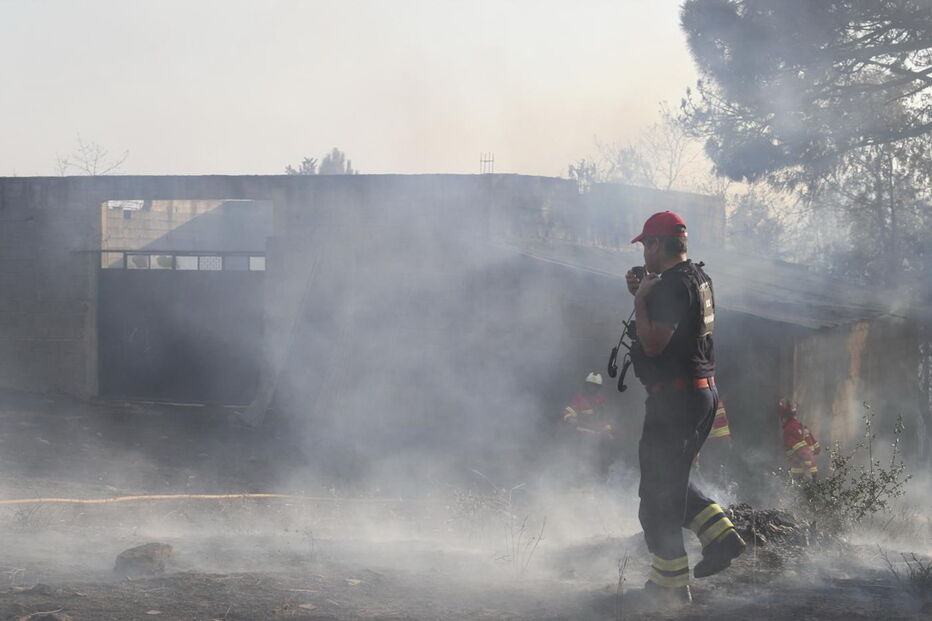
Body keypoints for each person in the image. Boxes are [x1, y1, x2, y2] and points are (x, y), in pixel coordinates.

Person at [625, 211, 745, 605]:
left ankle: (671, 587)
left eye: (646, 244)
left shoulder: (669, 288)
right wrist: (645, 295)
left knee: (656, 497)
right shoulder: (698, 277)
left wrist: (642, 299)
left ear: (658, 245)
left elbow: (656, 344)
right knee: (670, 484)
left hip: (676, 400)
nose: (644, 252)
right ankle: (722, 537)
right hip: (698, 393)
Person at [561, 372, 616, 479]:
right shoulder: (578, 399)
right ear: (586, 386)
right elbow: (567, 413)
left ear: (599, 388)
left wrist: (609, 433)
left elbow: (605, 420)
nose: (592, 388)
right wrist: (571, 419)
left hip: (597, 438)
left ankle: (599, 486)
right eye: (590, 385)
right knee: (581, 464)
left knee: (600, 464)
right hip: (581, 437)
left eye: (595, 386)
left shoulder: (600, 401)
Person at [778, 399, 820, 480]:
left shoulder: (789, 429)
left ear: (785, 418)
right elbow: (817, 449)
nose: (781, 420)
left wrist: (812, 474)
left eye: (782, 418)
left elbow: (803, 451)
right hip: (807, 470)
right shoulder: (800, 427)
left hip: (801, 474)